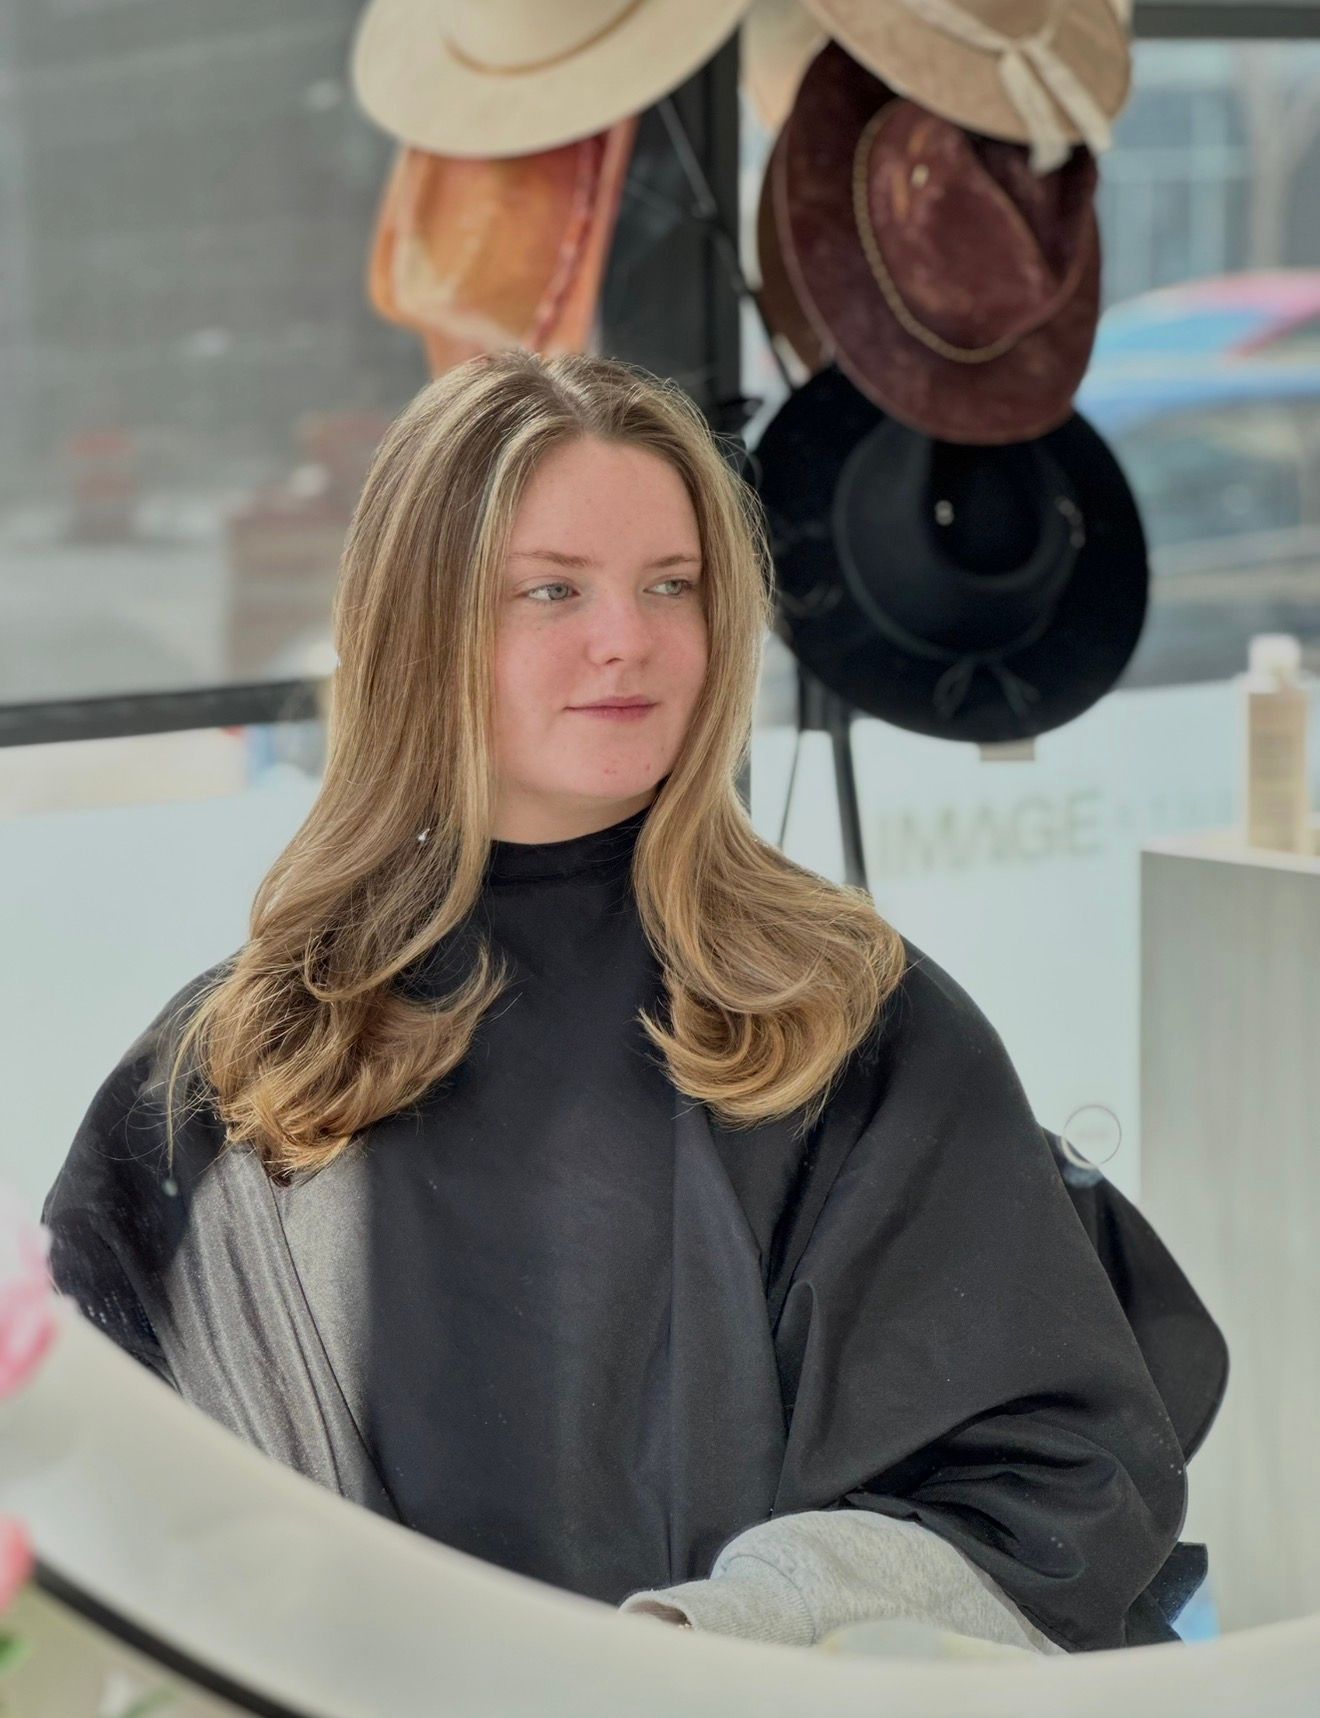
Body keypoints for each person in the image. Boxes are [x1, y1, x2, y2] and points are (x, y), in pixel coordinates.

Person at [42, 350, 1188, 1654]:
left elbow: (1054, 1484)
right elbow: (100, 1501)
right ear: (424, 626)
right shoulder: (234, 1065)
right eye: (552, 588)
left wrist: (680, 1656)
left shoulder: (848, 1019)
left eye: (671, 585)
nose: (627, 639)